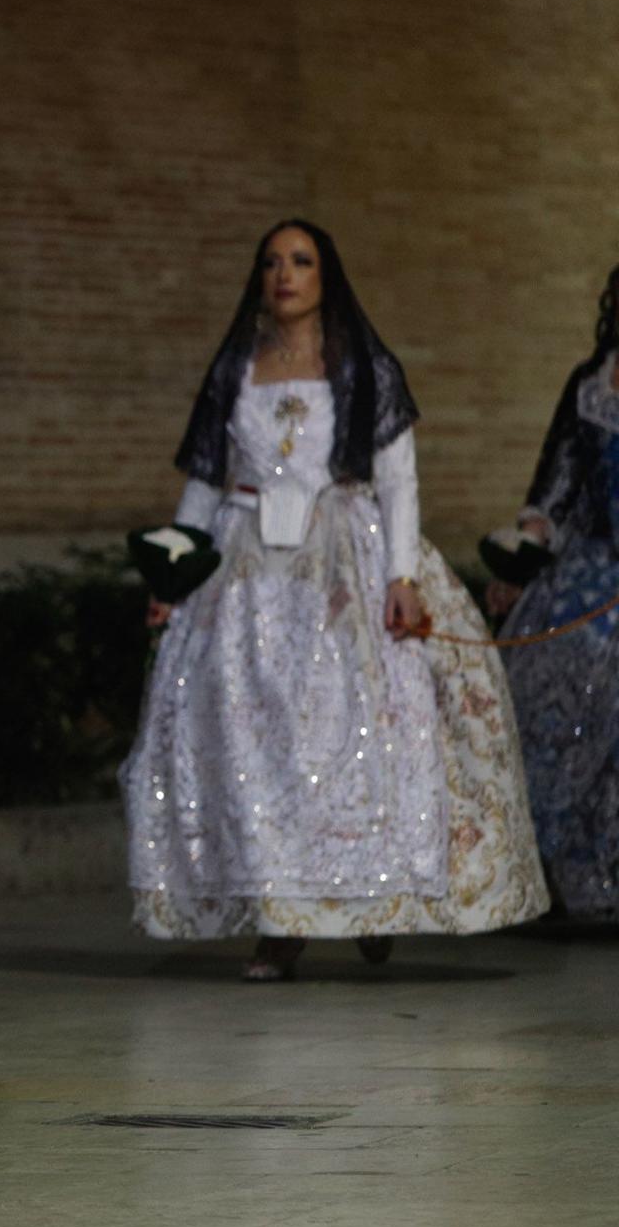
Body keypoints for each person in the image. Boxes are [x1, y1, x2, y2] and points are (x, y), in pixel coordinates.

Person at [122, 219, 548, 980]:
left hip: (342, 565)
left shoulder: (364, 369)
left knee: (351, 737)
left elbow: (398, 480)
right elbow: (204, 481)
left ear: (326, 275)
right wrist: (175, 570)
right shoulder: (236, 368)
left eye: (301, 261)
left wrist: (401, 577)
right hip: (249, 570)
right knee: (260, 744)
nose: (284, 274)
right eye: (271, 262)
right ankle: (279, 921)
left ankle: (367, 902)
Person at [487, 264, 619, 920]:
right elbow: (555, 491)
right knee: (544, 668)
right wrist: (522, 554)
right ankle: (553, 874)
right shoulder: (589, 385)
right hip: (590, 567)